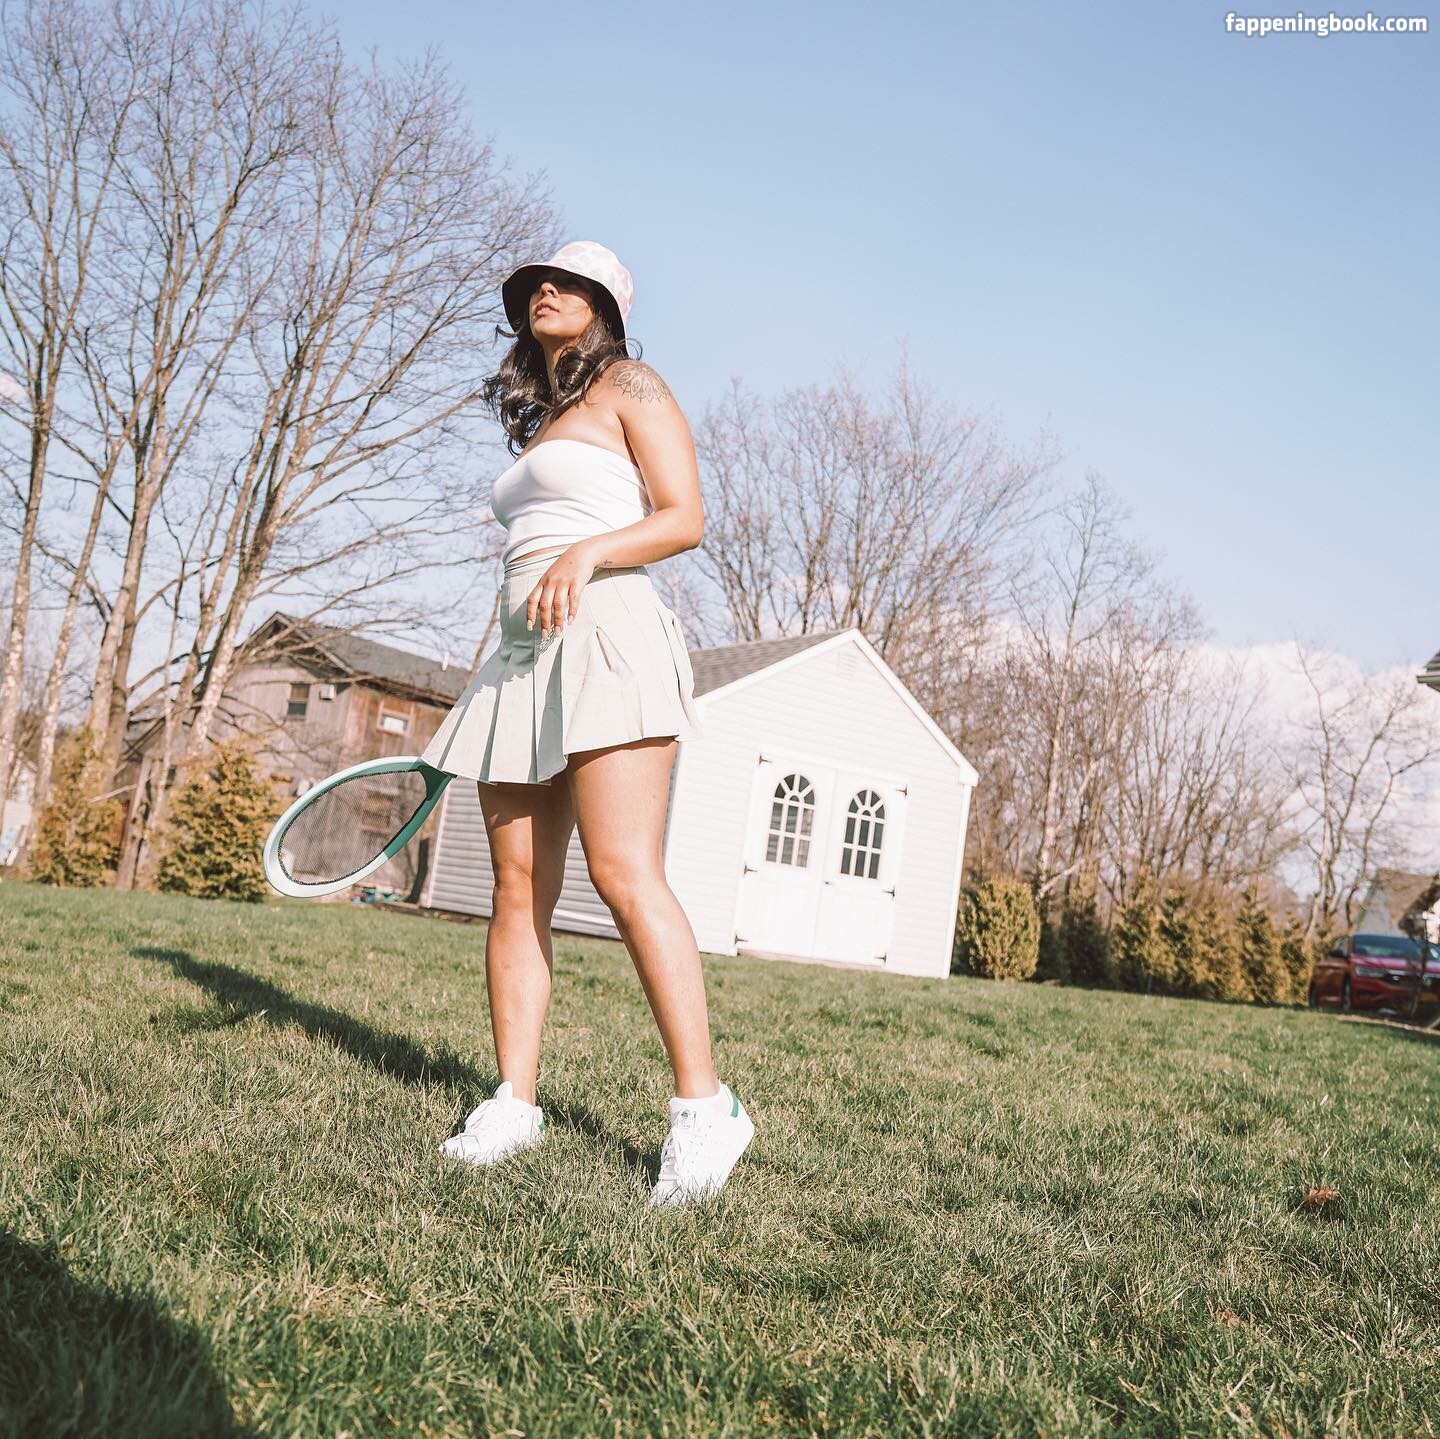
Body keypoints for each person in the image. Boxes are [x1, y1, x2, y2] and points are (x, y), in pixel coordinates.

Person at [421, 240, 754, 1207]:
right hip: (521, 652)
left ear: (606, 303)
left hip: (608, 633)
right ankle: (514, 1103)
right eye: (536, 283)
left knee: (622, 872)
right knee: (517, 886)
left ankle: (707, 1108)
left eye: (567, 282)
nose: (546, 290)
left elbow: (685, 516)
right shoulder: (545, 419)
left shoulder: (630, 385)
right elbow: (529, 544)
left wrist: (590, 554)